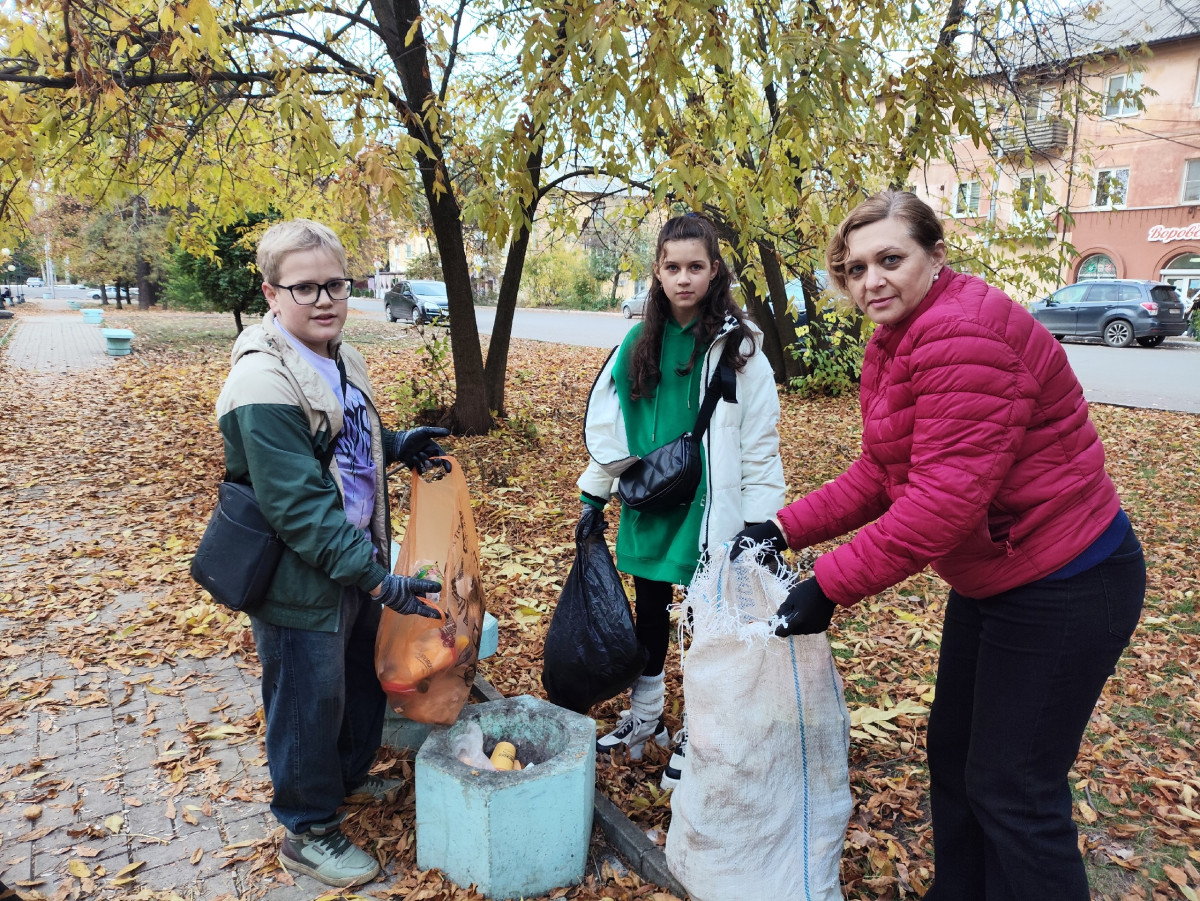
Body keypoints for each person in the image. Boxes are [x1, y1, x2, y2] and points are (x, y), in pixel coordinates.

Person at [733, 191, 1145, 899]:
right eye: (856, 268)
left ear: (936, 256)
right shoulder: (900, 336)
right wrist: (784, 526)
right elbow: (886, 472)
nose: (872, 281)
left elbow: (941, 504)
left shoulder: (963, 334)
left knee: (1014, 788)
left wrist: (827, 584)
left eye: (890, 259)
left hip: (1067, 580)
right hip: (998, 578)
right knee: (954, 757)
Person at [216, 219, 450, 888]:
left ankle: (342, 784)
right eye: (306, 286)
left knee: (355, 681)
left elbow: (347, 435)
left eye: (335, 284)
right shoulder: (261, 379)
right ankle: (307, 828)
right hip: (300, 579)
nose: (324, 298)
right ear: (271, 292)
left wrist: (396, 442)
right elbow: (299, 509)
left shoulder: (341, 356)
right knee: (306, 700)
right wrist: (381, 580)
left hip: (352, 562)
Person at [577, 213, 786, 790]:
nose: (684, 278)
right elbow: (613, 424)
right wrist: (593, 497)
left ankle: (700, 727)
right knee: (649, 615)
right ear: (658, 272)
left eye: (696, 266)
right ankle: (647, 719)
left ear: (714, 270)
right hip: (649, 502)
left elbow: (760, 446)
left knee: (705, 623)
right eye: (673, 267)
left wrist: (762, 523)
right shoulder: (635, 343)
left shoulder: (738, 350)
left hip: (707, 512)